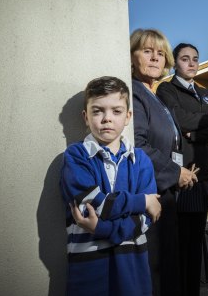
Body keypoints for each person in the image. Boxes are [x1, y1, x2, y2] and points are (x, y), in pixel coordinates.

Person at [60, 76, 162, 296]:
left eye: (116, 111)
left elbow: (144, 221)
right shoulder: (76, 157)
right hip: (89, 271)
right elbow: (97, 206)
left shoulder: (142, 160)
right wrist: (142, 201)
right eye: (97, 111)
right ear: (86, 117)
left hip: (133, 269)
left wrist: (100, 228)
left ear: (128, 116)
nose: (107, 119)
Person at [156, 43, 208, 296]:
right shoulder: (166, 89)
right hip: (181, 176)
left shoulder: (205, 92)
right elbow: (178, 119)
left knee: (195, 246)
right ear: (175, 63)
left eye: (195, 59)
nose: (192, 63)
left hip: (202, 176)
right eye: (185, 59)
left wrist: (195, 133)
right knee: (180, 249)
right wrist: (202, 121)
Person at [130, 29, 198, 296]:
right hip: (151, 195)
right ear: (132, 57)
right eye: (147, 51)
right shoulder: (135, 93)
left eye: (160, 53)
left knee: (170, 268)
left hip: (168, 194)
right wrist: (174, 172)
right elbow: (137, 145)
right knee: (156, 270)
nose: (156, 58)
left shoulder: (155, 96)